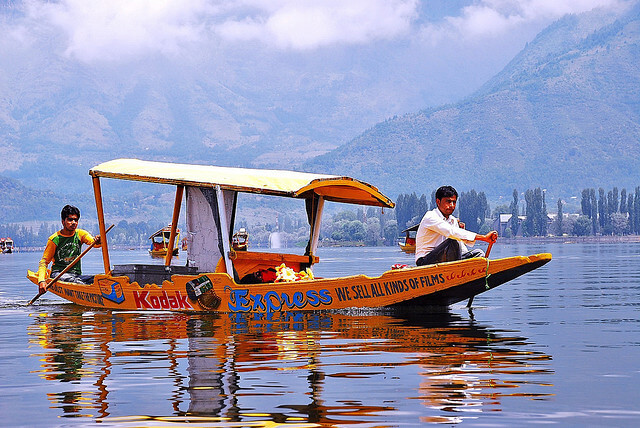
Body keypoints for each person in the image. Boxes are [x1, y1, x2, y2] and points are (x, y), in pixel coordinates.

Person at [415, 186, 498, 266]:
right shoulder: (430, 217)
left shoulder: (453, 220)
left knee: (478, 254)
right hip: (425, 261)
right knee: (453, 240)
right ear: (438, 202)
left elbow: (460, 245)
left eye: (454, 202)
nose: (451, 205)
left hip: (446, 260)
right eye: (448, 201)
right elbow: (451, 232)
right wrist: (483, 238)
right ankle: (457, 271)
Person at [37, 205, 101, 293]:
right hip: (58, 274)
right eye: (70, 220)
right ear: (63, 222)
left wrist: (98, 241)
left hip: (76, 275)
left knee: (99, 280)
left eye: (76, 220)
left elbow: (93, 243)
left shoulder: (80, 234)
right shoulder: (55, 239)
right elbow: (44, 262)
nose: (73, 222)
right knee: (78, 283)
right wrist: (41, 281)